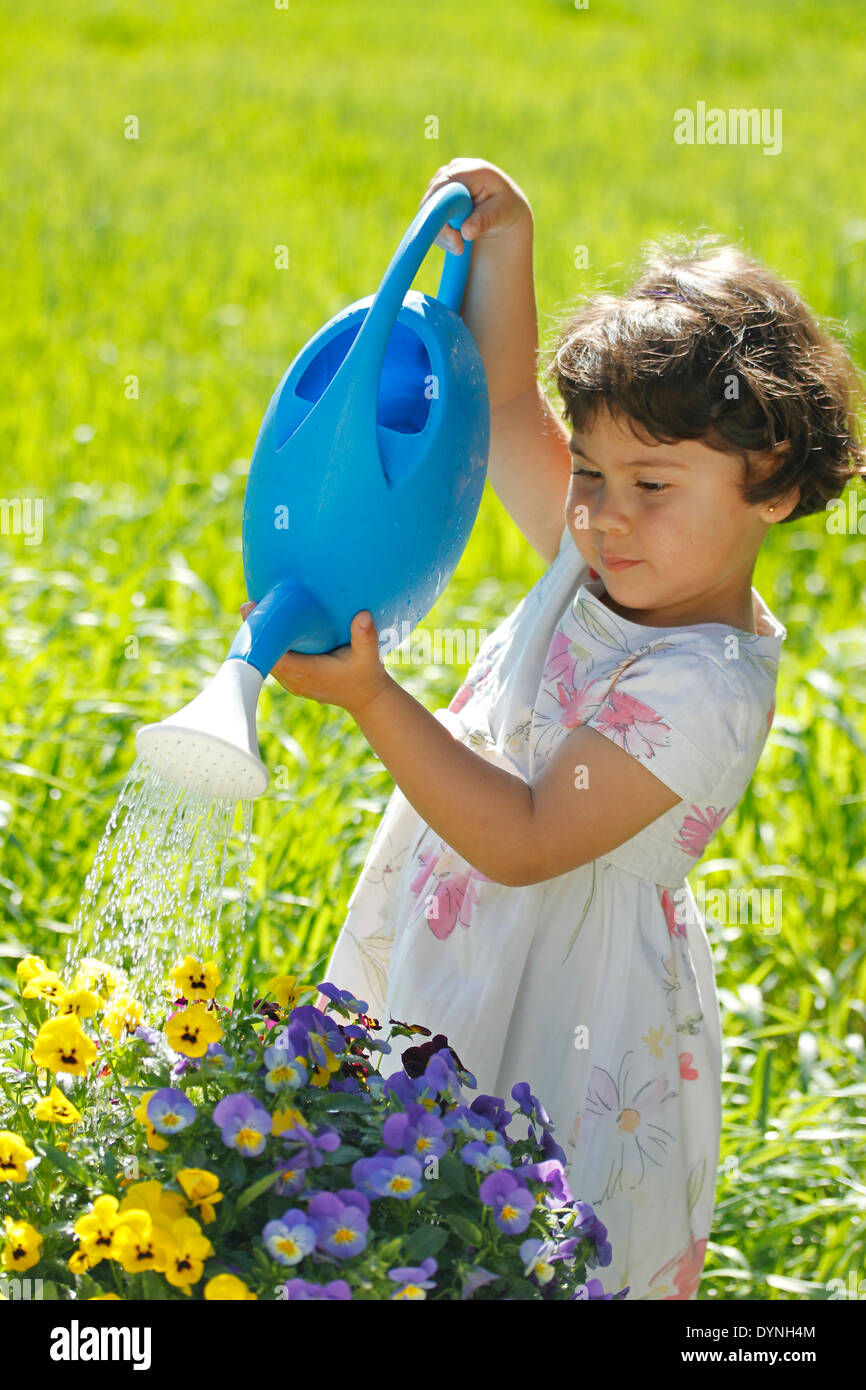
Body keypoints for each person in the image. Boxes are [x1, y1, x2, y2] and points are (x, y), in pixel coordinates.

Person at [241, 158, 866, 1299]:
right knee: (398, 1211)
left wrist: (375, 700)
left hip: (574, 1014)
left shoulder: (706, 681)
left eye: (651, 485)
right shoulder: (602, 553)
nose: (602, 514)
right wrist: (508, 233)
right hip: (456, 950)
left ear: (771, 482)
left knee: (520, 1242)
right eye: (588, 472)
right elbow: (511, 407)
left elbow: (525, 836)